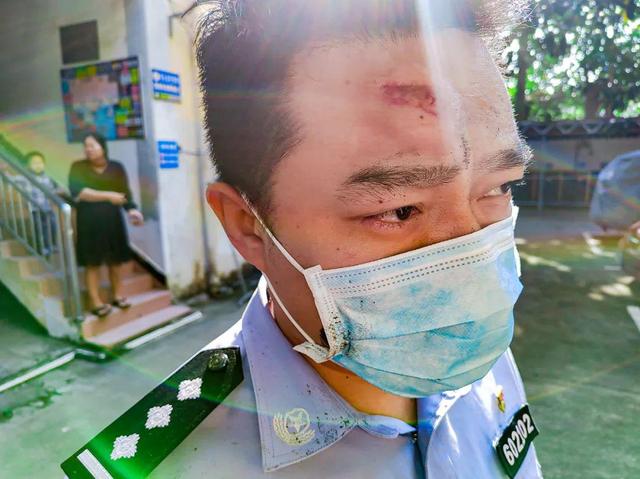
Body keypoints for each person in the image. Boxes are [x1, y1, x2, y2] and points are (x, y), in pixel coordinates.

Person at [62, 1, 542, 478]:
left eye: (499, 188)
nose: (478, 280)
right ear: (248, 226)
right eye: (397, 210)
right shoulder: (167, 464)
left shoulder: (481, 355)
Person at [68, 133, 144, 317]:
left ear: (103, 147)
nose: (88, 149)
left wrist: (132, 210)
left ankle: (117, 295)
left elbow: (124, 193)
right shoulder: (78, 167)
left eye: (92, 145)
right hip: (88, 223)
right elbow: (79, 192)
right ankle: (95, 301)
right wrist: (109, 196)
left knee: (115, 261)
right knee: (92, 263)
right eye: (86, 146)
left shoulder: (116, 167)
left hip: (112, 221)